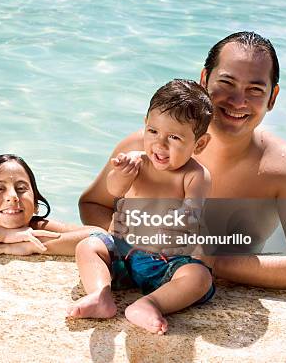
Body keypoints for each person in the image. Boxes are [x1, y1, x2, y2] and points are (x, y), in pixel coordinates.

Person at [78, 32, 286, 290]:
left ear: (273, 97)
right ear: (204, 80)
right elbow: (92, 203)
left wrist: (210, 260)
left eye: (255, 90)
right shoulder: (147, 149)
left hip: (197, 284)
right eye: (227, 83)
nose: (238, 101)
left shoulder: (283, 168)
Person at [67, 80, 214, 334]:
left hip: (166, 263)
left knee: (199, 277)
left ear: (199, 144)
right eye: (153, 131)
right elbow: (114, 190)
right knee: (88, 246)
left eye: (174, 137)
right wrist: (121, 173)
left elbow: (192, 214)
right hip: (124, 255)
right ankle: (100, 294)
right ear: (144, 124)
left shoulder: (195, 176)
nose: (160, 144)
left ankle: (149, 304)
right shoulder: (138, 162)